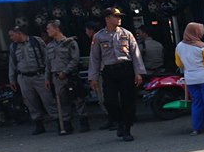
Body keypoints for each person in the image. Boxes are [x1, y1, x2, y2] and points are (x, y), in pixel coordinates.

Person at [88, 8, 145, 142]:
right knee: (109, 100)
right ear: (107, 18)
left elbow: (135, 54)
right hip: (109, 71)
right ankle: (119, 121)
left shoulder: (127, 34)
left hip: (126, 69)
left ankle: (127, 128)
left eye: (120, 16)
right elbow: (95, 58)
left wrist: (139, 73)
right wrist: (93, 77)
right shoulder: (99, 36)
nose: (119, 18)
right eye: (115, 16)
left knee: (128, 101)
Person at [8, 25, 57, 135]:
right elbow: (11, 64)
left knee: (48, 100)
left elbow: (47, 57)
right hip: (23, 78)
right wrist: (12, 79)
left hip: (39, 75)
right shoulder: (13, 47)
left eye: (12, 35)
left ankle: (59, 122)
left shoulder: (36, 41)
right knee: (30, 102)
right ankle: (39, 124)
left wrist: (49, 75)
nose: (11, 37)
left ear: (19, 33)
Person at [45, 20, 88, 134]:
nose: (47, 31)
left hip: (70, 76)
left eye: (49, 28)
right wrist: (47, 78)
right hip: (57, 77)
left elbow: (75, 59)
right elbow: (48, 64)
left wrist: (65, 71)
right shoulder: (49, 46)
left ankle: (84, 122)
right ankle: (66, 124)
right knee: (62, 101)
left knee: (78, 99)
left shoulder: (70, 43)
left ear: (57, 28)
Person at [176, 23, 204, 135]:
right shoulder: (202, 47)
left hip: (190, 79)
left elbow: (179, 64)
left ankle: (196, 128)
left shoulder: (179, 46)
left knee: (196, 103)